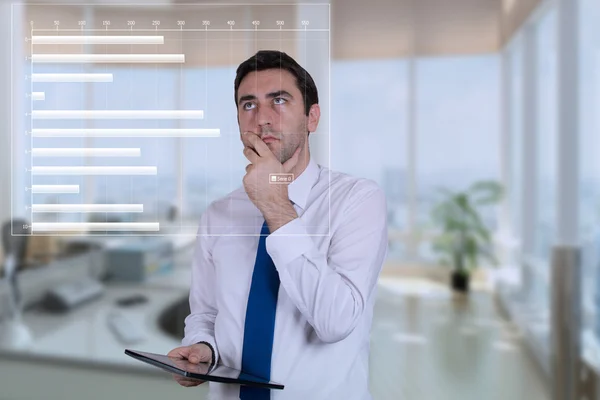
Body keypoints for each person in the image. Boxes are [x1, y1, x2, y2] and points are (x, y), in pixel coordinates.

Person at [167, 50, 388, 400]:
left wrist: (275, 205)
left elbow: (336, 322)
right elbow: (206, 313)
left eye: (279, 101)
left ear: (311, 117)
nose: (262, 119)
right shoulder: (219, 214)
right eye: (248, 105)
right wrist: (203, 348)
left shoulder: (357, 200)